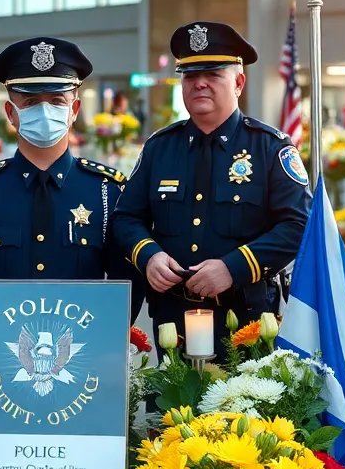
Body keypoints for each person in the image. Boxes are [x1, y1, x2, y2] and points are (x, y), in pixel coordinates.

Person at [113, 21, 311, 355]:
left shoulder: (269, 148)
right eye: (190, 76)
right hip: (172, 322)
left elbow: (299, 225)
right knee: (174, 409)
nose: (199, 83)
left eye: (214, 74)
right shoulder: (160, 148)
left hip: (247, 322)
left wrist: (233, 267)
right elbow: (125, 218)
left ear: (238, 82)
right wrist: (149, 256)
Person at [0, 37, 141, 310]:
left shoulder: (107, 193)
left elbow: (127, 288)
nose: (44, 110)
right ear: (10, 113)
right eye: (30, 102)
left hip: (84, 347)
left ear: (74, 110)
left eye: (56, 100)